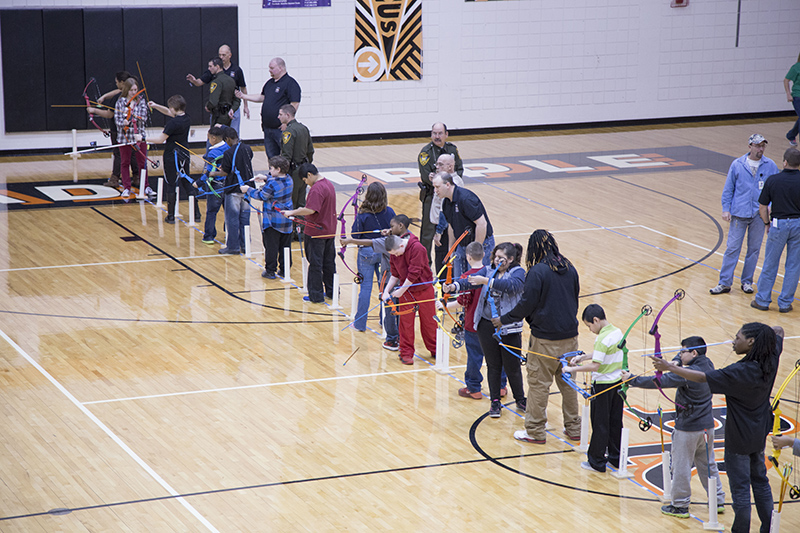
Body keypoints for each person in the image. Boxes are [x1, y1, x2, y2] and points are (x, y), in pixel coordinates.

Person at [650, 323, 783, 533]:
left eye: (738, 337)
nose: (733, 341)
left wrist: (671, 367)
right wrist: (765, 331)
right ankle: (767, 528)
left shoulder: (739, 371)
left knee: (740, 491)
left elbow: (703, 377)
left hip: (739, 438)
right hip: (758, 434)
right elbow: (778, 331)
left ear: (751, 342)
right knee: (760, 482)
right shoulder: (771, 356)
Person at [623, 336, 726, 517]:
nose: (680, 353)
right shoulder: (708, 365)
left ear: (694, 353)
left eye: (684, 350)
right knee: (708, 464)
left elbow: (658, 382)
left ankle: (679, 505)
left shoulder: (686, 375)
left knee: (681, 466)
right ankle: (717, 500)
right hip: (707, 428)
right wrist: (677, 360)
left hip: (688, 429)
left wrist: (631, 379)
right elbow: (681, 360)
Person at [495, 229, 581, 445]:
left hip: (544, 341)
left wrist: (504, 319)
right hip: (571, 337)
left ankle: (534, 431)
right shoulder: (570, 267)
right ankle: (574, 428)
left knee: (539, 385)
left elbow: (526, 304)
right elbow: (575, 297)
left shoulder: (538, 271)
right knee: (568, 384)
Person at [448, 242, 526, 418]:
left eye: (502, 259)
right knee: (493, 365)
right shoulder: (488, 270)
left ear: (511, 259)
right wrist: (454, 287)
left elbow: (512, 286)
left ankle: (520, 399)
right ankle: (495, 402)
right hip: (486, 324)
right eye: (496, 257)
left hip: (508, 327)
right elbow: (470, 282)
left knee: (512, 366)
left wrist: (486, 281)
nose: (497, 261)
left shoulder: (518, 272)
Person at [710, 134, 779, 295]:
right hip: (739, 213)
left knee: (754, 250)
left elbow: (775, 189)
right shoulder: (737, 164)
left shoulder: (770, 165)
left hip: (759, 214)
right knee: (732, 248)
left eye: (763, 146)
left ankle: (747, 281)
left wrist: (770, 207)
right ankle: (724, 282)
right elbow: (729, 188)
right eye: (757, 145)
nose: (760, 149)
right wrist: (725, 208)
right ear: (750, 146)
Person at [439, 241, 507, 400]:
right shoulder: (493, 273)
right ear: (484, 255)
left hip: (473, 324)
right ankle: (501, 386)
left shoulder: (467, 276)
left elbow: (462, 302)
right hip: (495, 322)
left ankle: (473, 388)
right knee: (497, 355)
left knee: (475, 356)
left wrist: (444, 305)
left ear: (467, 257)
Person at [562, 304, 623, 473]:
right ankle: (615, 458)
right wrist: (583, 357)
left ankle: (596, 461)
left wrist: (571, 369)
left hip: (603, 386)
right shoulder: (616, 332)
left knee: (600, 423)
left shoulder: (601, 338)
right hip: (617, 383)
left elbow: (596, 366)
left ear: (596, 320)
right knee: (615, 422)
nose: (590, 329)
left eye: (589, 326)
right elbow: (603, 354)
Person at [341, 214, 408, 351]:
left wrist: (350, 241)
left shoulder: (388, 242)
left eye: (392, 226)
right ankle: (402, 338)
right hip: (403, 279)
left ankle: (391, 339)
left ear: (400, 226)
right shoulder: (410, 238)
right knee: (402, 307)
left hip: (389, 277)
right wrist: (390, 231)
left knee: (388, 306)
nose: (389, 228)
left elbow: (369, 242)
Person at [341, 182, 396, 331]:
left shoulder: (363, 214)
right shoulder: (389, 212)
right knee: (385, 288)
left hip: (367, 253)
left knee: (365, 289)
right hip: (385, 252)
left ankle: (360, 324)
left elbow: (355, 234)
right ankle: (385, 321)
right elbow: (395, 230)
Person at [751, 147, 800, 313]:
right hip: (798, 224)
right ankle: (785, 303)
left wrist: (766, 223)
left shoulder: (773, 180)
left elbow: (763, 207)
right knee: (794, 266)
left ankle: (763, 300)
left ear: (784, 162)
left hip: (778, 225)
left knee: (770, 264)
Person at [283, 164, 336, 304]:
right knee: (329, 263)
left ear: (309, 175)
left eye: (305, 180)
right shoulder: (328, 184)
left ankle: (316, 296)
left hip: (316, 233)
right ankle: (332, 292)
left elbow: (310, 210)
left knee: (315, 264)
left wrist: (293, 212)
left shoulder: (317, 189)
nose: (305, 183)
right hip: (329, 230)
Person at [383, 232, 437, 365]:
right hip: (406, 291)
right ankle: (406, 352)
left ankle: (435, 349)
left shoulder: (417, 248)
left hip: (424, 289)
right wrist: (386, 291)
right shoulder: (395, 252)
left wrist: (401, 290)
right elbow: (394, 274)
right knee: (405, 322)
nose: (395, 256)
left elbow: (414, 273)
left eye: (396, 253)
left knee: (429, 322)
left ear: (402, 245)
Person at [432, 172, 495, 278]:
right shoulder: (446, 202)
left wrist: (475, 250)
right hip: (462, 245)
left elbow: (482, 224)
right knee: (459, 280)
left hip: (481, 243)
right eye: (434, 187)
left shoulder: (466, 199)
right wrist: (451, 249)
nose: (435, 190)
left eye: (437, 187)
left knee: (476, 281)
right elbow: (451, 226)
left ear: (447, 185)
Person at [236, 57, 301, 158]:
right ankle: (273, 173)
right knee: (271, 156)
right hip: (268, 128)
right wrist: (244, 96)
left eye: (272, 68)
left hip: (280, 129)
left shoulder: (291, 83)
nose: (269, 70)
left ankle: (286, 174)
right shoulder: (270, 83)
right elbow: (262, 97)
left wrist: (286, 123)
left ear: (281, 68)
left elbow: (294, 104)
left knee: (285, 155)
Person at [148, 95, 199, 223]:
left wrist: (143, 138)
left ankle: (170, 216)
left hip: (171, 156)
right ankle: (196, 214)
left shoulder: (172, 123)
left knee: (171, 183)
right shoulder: (186, 118)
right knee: (186, 181)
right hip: (184, 155)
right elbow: (169, 112)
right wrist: (155, 106)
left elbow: (160, 140)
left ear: (173, 108)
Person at [241, 156, 293, 279]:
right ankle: (285, 269)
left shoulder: (272, 183)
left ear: (278, 169)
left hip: (272, 221)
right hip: (286, 220)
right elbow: (276, 181)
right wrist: (265, 177)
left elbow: (261, 196)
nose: (269, 171)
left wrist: (248, 189)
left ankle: (270, 270)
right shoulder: (289, 179)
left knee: (271, 246)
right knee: (285, 246)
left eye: (271, 169)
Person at [417, 122, 463, 261]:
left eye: (440, 133)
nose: (437, 136)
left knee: (452, 227)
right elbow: (426, 176)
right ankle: (425, 263)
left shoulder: (452, 150)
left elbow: (459, 170)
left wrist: (451, 183)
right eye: (434, 133)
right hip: (432, 196)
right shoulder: (425, 153)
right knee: (427, 232)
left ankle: (449, 259)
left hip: (450, 195)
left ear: (446, 134)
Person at [89, 71, 139, 188]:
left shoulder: (119, 98)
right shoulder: (129, 95)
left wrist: (93, 110)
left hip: (119, 131)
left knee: (119, 154)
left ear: (122, 83)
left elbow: (109, 114)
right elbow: (118, 91)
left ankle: (115, 179)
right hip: (132, 131)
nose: (116, 85)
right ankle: (137, 177)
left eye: (117, 82)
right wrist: (105, 97)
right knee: (132, 154)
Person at [186, 44, 249, 133]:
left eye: (223, 55)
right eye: (219, 55)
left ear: (230, 55)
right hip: (218, 109)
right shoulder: (213, 70)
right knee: (215, 134)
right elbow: (200, 82)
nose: (221, 57)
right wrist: (194, 81)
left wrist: (246, 106)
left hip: (232, 107)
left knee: (234, 134)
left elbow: (243, 88)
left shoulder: (237, 70)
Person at [210, 127, 252, 255]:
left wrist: (212, 173)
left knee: (232, 219)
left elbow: (224, 173)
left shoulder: (228, 153)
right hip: (247, 188)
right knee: (245, 218)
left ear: (227, 139)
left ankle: (233, 247)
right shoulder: (247, 148)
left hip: (234, 188)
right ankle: (245, 246)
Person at [114, 78, 151, 198]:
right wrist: (124, 122)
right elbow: (117, 120)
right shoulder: (120, 102)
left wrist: (132, 116)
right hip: (124, 137)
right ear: (127, 90)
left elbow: (144, 117)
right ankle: (126, 187)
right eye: (131, 90)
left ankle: (145, 186)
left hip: (139, 137)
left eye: (136, 90)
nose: (134, 92)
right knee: (125, 162)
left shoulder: (141, 101)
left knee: (142, 162)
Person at [431, 153, 464, 274]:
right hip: (442, 225)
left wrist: (439, 231)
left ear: (450, 167)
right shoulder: (445, 180)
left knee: (443, 259)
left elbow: (445, 209)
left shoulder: (452, 183)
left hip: (446, 227)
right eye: (437, 164)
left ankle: (444, 287)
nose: (437, 167)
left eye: (440, 165)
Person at [279, 104, 314, 212]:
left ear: (287, 115)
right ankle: (301, 228)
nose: (278, 117)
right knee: (301, 203)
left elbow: (286, 157)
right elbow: (310, 151)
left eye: (280, 114)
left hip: (293, 172)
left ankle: (293, 228)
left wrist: (281, 174)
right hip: (304, 169)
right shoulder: (304, 128)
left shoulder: (288, 132)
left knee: (291, 203)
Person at [196, 126, 228, 244]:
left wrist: (198, 182)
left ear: (213, 138)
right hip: (228, 184)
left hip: (216, 185)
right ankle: (228, 234)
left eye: (208, 138)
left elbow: (209, 172)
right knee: (228, 211)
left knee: (212, 211)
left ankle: (209, 236)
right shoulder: (227, 147)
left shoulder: (213, 152)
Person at [204, 58, 240, 127]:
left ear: (217, 67)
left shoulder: (216, 82)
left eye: (211, 66)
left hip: (218, 115)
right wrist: (232, 109)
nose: (209, 69)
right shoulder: (231, 80)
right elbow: (237, 99)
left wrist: (208, 106)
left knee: (215, 136)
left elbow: (213, 102)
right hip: (228, 115)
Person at [784, 52, 800, 147]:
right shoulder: (796, 67)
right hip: (797, 96)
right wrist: (788, 94)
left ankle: (791, 135)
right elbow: (786, 80)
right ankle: (791, 135)